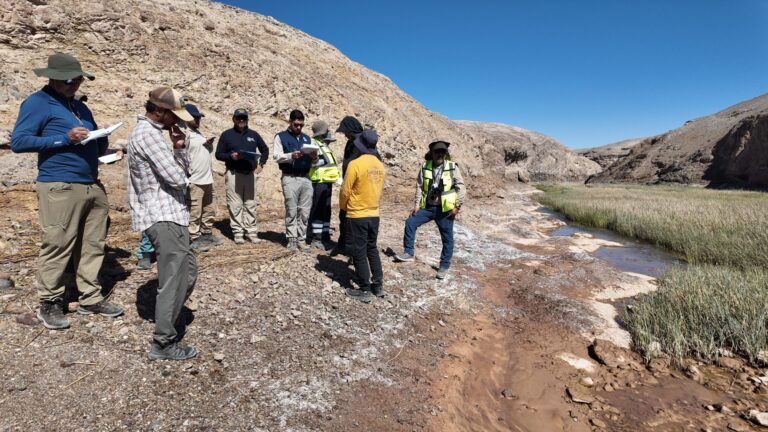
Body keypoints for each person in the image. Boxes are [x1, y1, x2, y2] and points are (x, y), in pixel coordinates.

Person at [10, 52, 124, 330]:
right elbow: (20, 141)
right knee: (58, 243)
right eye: (70, 81)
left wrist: (105, 146)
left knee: (93, 243)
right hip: (59, 183)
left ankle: (90, 297)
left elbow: (89, 144)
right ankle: (50, 301)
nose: (75, 86)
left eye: (79, 81)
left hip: (90, 183)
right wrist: (64, 138)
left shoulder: (80, 107)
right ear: (54, 79)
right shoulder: (38, 103)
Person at [127, 86, 198, 361]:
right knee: (174, 278)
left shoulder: (155, 134)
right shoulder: (149, 135)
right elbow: (178, 179)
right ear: (159, 111)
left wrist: (178, 148)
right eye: (174, 116)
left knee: (187, 273)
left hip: (172, 215)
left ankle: (167, 322)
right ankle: (163, 341)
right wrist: (179, 155)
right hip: (163, 215)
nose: (177, 122)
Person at [394, 141, 466, 279]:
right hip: (428, 207)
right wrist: (416, 205)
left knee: (447, 238)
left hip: (445, 210)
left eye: (443, 152)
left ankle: (444, 266)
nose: (440, 154)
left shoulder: (452, 167)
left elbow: (461, 187)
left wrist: (457, 206)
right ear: (431, 153)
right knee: (410, 222)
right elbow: (419, 186)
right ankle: (408, 253)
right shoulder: (425, 166)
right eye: (437, 151)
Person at [339, 129, 386, 302]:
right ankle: (378, 285)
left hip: (357, 214)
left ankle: (365, 289)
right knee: (371, 248)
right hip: (374, 214)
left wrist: (344, 209)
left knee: (358, 251)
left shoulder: (355, 164)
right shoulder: (380, 165)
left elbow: (345, 191)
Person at [215, 109, 269, 244]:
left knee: (250, 204)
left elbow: (265, 149)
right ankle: (238, 232)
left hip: (250, 174)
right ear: (233, 119)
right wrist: (230, 156)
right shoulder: (226, 135)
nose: (241, 120)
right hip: (233, 174)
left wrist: (261, 164)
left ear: (247, 119)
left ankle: (251, 232)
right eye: (238, 118)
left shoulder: (254, 135)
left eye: (243, 118)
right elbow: (218, 154)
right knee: (235, 204)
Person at [184, 103, 222, 251]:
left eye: (199, 117)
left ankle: (206, 233)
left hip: (207, 179)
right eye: (195, 117)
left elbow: (204, 152)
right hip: (195, 180)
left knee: (209, 208)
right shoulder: (184, 133)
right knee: (194, 210)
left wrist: (208, 144)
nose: (198, 120)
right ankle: (193, 238)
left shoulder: (198, 133)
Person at [273, 109, 313, 251]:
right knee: (292, 209)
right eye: (296, 124)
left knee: (305, 211)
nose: (299, 128)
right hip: (290, 177)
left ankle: (302, 239)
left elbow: (314, 162)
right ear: (290, 122)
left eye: (301, 125)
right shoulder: (281, 137)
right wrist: (291, 156)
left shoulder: (307, 139)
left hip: (306, 178)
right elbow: (276, 157)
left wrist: (314, 157)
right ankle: (292, 239)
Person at [330, 116, 364, 256]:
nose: (344, 135)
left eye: (345, 132)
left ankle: (355, 252)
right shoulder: (350, 142)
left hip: (358, 188)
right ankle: (343, 244)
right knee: (343, 215)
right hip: (347, 184)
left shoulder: (363, 143)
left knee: (355, 220)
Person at [307, 120, 341, 250]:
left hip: (327, 181)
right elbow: (314, 163)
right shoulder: (313, 144)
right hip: (319, 181)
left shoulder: (323, 144)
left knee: (326, 209)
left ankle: (324, 235)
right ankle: (316, 238)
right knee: (318, 210)